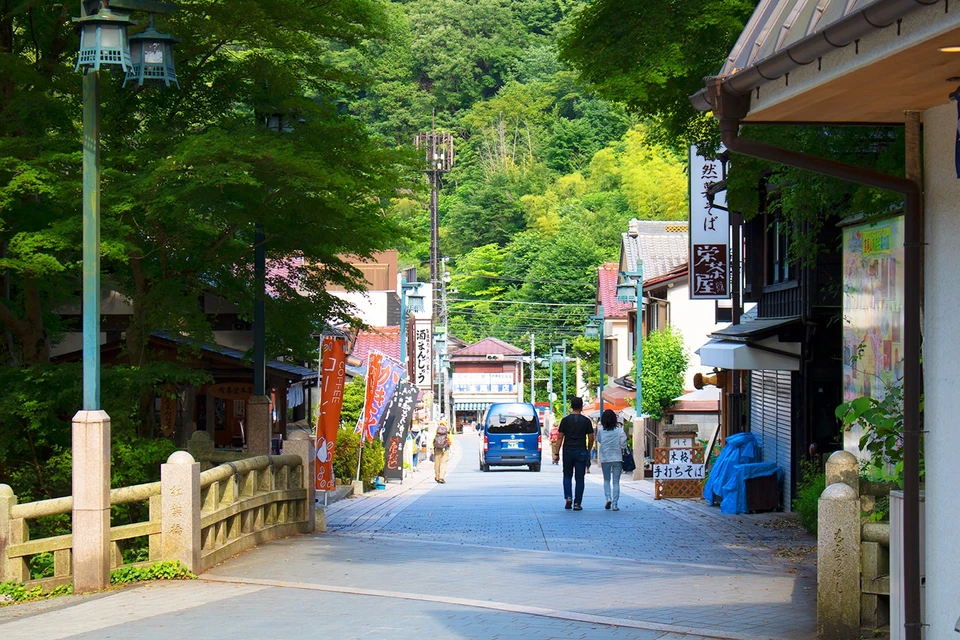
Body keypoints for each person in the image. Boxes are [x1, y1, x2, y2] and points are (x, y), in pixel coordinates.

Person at [553, 396, 594, 510]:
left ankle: (568, 497)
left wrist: (556, 453)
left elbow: (560, 438)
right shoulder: (586, 421)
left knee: (567, 475)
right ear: (581, 407)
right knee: (580, 478)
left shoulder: (565, 420)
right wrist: (589, 450)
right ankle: (577, 503)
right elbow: (591, 438)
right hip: (581, 450)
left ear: (571, 406)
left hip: (568, 451)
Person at [596, 409, 627, 511]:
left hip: (605, 458)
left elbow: (599, 440)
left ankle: (608, 498)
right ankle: (615, 504)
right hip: (617, 458)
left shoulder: (600, 430)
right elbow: (623, 444)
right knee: (616, 482)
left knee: (606, 479)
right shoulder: (619, 430)